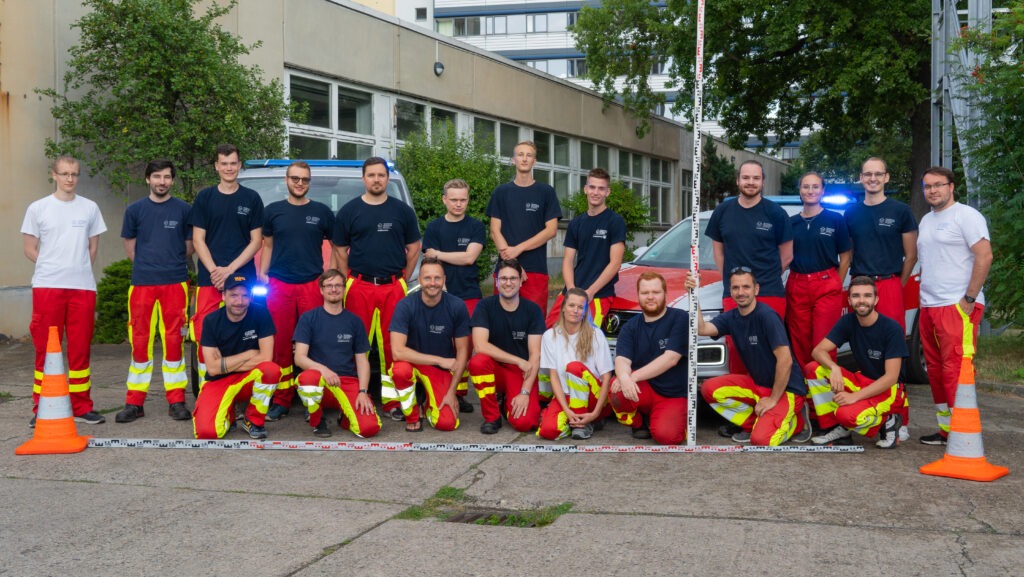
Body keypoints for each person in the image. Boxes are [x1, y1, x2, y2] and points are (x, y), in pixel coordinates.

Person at [331, 157, 421, 422]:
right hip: (359, 286)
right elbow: (339, 249)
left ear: (387, 179)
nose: (376, 180)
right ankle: (357, 395)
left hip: (393, 287)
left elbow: (414, 247)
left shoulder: (402, 211)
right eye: (371, 175)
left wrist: (403, 278)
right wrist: (348, 277)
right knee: (356, 344)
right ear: (363, 179)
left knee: (394, 346)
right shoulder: (349, 211)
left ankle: (393, 400)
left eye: (381, 175)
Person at [22, 154, 107, 426]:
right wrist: (53, 266)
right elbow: (29, 248)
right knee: (47, 349)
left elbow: (92, 248)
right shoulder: (38, 208)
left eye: (74, 174)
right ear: (54, 175)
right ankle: (42, 407)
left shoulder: (90, 208)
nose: (70, 179)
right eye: (65, 173)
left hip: (82, 288)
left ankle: (81, 406)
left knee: (80, 349)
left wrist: (76, 268)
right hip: (48, 287)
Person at [916, 166, 992, 446]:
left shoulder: (967, 216)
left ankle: (964, 432)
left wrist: (969, 299)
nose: (932, 190)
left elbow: (984, 256)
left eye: (938, 185)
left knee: (956, 369)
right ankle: (947, 430)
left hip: (956, 305)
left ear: (951, 186)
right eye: (927, 186)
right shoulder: (926, 220)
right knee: (934, 370)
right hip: (930, 305)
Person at [694, 268, 811, 446]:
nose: (741, 292)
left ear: (756, 289)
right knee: (709, 389)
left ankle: (797, 423)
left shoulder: (767, 316)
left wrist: (773, 399)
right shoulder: (732, 317)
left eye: (746, 287)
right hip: (759, 386)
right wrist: (693, 293)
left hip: (787, 391)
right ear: (730, 291)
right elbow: (702, 329)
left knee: (762, 440)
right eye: (735, 288)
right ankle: (754, 425)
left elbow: (785, 360)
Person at [844, 157, 916, 440]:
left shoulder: (901, 211)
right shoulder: (850, 213)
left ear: (886, 178)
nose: (872, 178)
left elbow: (911, 255)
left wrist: (896, 285)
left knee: (892, 353)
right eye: (867, 174)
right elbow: (846, 254)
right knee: (864, 351)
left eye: (878, 174)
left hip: (888, 285)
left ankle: (901, 417)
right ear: (861, 178)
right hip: (860, 285)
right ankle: (871, 410)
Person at [116, 160, 193, 423]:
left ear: (173, 180)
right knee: (140, 342)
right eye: (157, 176)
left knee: (174, 343)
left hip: (175, 283)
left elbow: (189, 245)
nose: (162, 181)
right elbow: (130, 247)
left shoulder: (184, 209)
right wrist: (148, 267)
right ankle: (134, 402)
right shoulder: (135, 210)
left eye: (167, 177)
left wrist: (169, 262)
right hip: (142, 285)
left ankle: (177, 400)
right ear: (148, 179)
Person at [259, 161, 334, 421]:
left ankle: (312, 397)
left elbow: (336, 247)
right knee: (280, 343)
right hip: (279, 285)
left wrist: (330, 277)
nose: (299, 183)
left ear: (309, 182)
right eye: (295, 178)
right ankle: (281, 399)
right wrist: (262, 274)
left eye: (304, 179)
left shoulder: (322, 212)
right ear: (287, 180)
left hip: (312, 284)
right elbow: (267, 246)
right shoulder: (273, 212)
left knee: (315, 343)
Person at [704, 160, 793, 378]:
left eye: (755, 178)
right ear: (738, 180)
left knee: (771, 350)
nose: (750, 182)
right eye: (746, 177)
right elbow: (719, 252)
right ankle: (742, 404)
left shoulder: (776, 213)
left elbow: (787, 254)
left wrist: (763, 279)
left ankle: (773, 400)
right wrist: (734, 283)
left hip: (769, 292)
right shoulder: (723, 211)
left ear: (763, 181)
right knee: (738, 351)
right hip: (735, 295)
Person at [190, 144, 264, 383]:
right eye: (224, 163)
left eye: (233, 163)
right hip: (209, 278)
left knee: (246, 331)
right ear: (216, 166)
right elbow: (198, 239)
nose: (229, 168)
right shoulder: (205, 197)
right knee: (205, 330)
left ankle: (241, 385)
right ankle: (206, 387)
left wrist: (229, 270)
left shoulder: (251, 198)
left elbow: (256, 241)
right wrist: (214, 271)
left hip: (242, 276)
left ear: (239, 165)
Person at [805, 276, 907, 449]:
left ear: (876, 299)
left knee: (847, 415)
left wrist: (854, 397)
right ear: (850, 300)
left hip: (889, 391)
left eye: (867, 296)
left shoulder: (891, 329)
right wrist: (834, 367)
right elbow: (818, 351)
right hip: (863, 381)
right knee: (813, 369)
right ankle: (837, 428)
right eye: (856, 296)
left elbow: (891, 377)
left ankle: (888, 419)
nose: (862, 301)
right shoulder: (848, 321)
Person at [422, 178, 486, 413]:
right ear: (444, 200)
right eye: (454, 200)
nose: (459, 204)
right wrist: (442, 286)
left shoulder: (476, 226)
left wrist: (440, 253)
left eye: (463, 200)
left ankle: (460, 392)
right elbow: (430, 262)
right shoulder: (434, 227)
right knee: (441, 343)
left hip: (469, 294)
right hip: (441, 294)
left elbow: (470, 258)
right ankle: (437, 388)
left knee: (465, 346)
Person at [292, 269, 381, 439]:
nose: (334, 289)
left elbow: (362, 361)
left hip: (346, 381)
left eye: (338, 285)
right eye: (329, 285)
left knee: (369, 429)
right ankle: (318, 421)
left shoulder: (354, 321)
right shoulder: (309, 319)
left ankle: (345, 418)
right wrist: (323, 370)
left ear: (344, 288)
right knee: (307, 379)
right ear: (321, 290)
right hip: (319, 381)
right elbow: (299, 358)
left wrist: (363, 391)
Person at [193, 274, 281, 440]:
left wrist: (223, 364)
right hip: (218, 380)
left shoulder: (261, 313)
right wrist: (249, 354)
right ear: (223, 295)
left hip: (247, 378)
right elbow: (212, 368)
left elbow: (266, 358)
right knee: (208, 433)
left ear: (250, 297)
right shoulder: (211, 320)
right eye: (234, 295)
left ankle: (253, 420)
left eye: (244, 295)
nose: (239, 301)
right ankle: (228, 413)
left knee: (270, 370)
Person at [389, 257, 471, 432]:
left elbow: (463, 351)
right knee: (399, 370)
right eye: (427, 278)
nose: (432, 283)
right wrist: (440, 360)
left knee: (447, 424)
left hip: (439, 371)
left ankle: (427, 404)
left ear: (444, 280)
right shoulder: (405, 305)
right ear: (419, 280)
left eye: (437, 278)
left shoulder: (457, 306)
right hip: (411, 364)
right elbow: (397, 352)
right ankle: (411, 415)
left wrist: (452, 391)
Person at [611, 272, 690, 444]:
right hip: (644, 390)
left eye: (656, 292)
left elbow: (671, 359)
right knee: (616, 388)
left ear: (665, 294)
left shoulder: (680, 318)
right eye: (645, 293)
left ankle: (667, 420)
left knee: (667, 437)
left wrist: (632, 377)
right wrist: (624, 377)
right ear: (638, 296)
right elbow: (622, 360)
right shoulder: (630, 327)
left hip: (672, 394)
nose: (650, 297)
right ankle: (638, 422)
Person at [468, 258, 545, 434]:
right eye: (503, 279)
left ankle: (506, 403)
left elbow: (535, 355)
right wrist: (518, 360)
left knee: (525, 424)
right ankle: (492, 417)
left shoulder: (532, 311)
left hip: (522, 372)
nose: (508, 283)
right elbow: (480, 346)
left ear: (520, 281)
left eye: (513, 278)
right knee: (477, 362)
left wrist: (524, 392)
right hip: (495, 367)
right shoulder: (485, 306)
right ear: (496, 281)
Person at [486, 141, 561, 317]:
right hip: (506, 269)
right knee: (501, 321)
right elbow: (494, 232)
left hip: (536, 269)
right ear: (513, 160)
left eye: (529, 155)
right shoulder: (501, 192)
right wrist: (514, 264)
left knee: (533, 323)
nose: (524, 159)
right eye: (520, 154)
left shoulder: (546, 192)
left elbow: (551, 230)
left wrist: (517, 249)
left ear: (534, 161)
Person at [785, 171, 851, 370]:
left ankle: (824, 395)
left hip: (826, 282)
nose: (810, 191)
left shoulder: (835, 220)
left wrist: (835, 283)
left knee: (824, 342)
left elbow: (846, 257)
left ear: (822, 191)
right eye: (806, 187)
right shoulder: (791, 223)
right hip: (797, 284)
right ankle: (805, 393)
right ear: (800, 191)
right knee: (799, 341)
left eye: (815, 187)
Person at [546, 167, 626, 330]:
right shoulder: (576, 223)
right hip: (572, 290)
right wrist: (571, 291)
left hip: (597, 295)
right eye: (592, 187)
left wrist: (589, 292)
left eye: (601, 188)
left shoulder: (615, 221)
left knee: (584, 338)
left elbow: (615, 263)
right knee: (549, 331)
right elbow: (568, 260)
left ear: (607, 192)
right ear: (585, 189)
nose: (596, 192)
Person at [538, 288, 613, 441]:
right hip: (566, 396)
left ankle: (583, 424)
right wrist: (566, 410)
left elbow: (607, 377)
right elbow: (554, 377)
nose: (576, 310)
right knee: (548, 431)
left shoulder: (595, 334)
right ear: (563, 308)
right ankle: (572, 422)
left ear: (585, 312)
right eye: (572, 306)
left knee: (574, 367)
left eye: (581, 307)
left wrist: (596, 413)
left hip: (593, 397)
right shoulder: (549, 336)